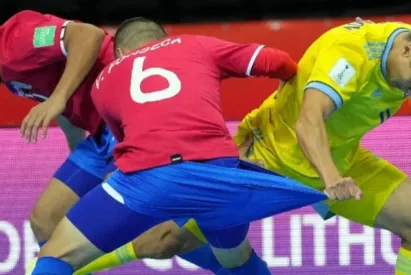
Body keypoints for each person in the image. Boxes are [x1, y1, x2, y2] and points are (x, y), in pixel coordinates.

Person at [29, 17, 327, 275]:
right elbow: (276, 61)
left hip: (146, 180)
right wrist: (288, 91)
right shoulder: (193, 44)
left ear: (119, 53)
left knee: (55, 254)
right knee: (235, 262)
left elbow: (125, 143)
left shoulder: (103, 82)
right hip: (219, 174)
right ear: (165, 39)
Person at [0, 10, 247, 275]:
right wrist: (74, 150)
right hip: (99, 133)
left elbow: (87, 35)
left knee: (161, 238)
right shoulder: (10, 73)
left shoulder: (17, 38)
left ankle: (239, 267)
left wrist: (57, 99)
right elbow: (64, 103)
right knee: (45, 219)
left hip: (129, 113)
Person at [232, 20, 411, 275]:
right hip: (270, 155)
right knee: (175, 238)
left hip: (339, 156)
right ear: (407, 50)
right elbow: (308, 121)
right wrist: (332, 178)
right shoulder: (350, 54)